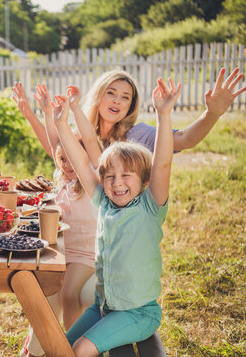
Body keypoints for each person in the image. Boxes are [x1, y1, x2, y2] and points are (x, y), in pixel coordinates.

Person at [52, 77, 181, 356]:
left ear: (143, 180)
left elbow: (162, 163)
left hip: (138, 313)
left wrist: (164, 113)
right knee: (61, 347)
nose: (117, 182)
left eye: (126, 175)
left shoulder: (149, 207)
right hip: (104, 306)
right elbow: (81, 159)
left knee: (82, 349)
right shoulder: (104, 202)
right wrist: (62, 124)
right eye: (109, 176)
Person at [13, 83, 98, 357]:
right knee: (41, 293)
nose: (66, 164)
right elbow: (54, 140)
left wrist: (68, 110)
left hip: (85, 255)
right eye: (61, 160)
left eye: (72, 159)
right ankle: (36, 347)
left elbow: (72, 148)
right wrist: (43, 113)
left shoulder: (91, 178)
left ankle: (69, 348)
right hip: (59, 252)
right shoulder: (62, 176)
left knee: (68, 293)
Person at [67, 67, 246, 155]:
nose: (117, 101)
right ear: (98, 96)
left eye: (125, 97)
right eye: (111, 93)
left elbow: (185, 139)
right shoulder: (80, 134)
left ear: (131, 105)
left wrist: (212, 114)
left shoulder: (138, 135)